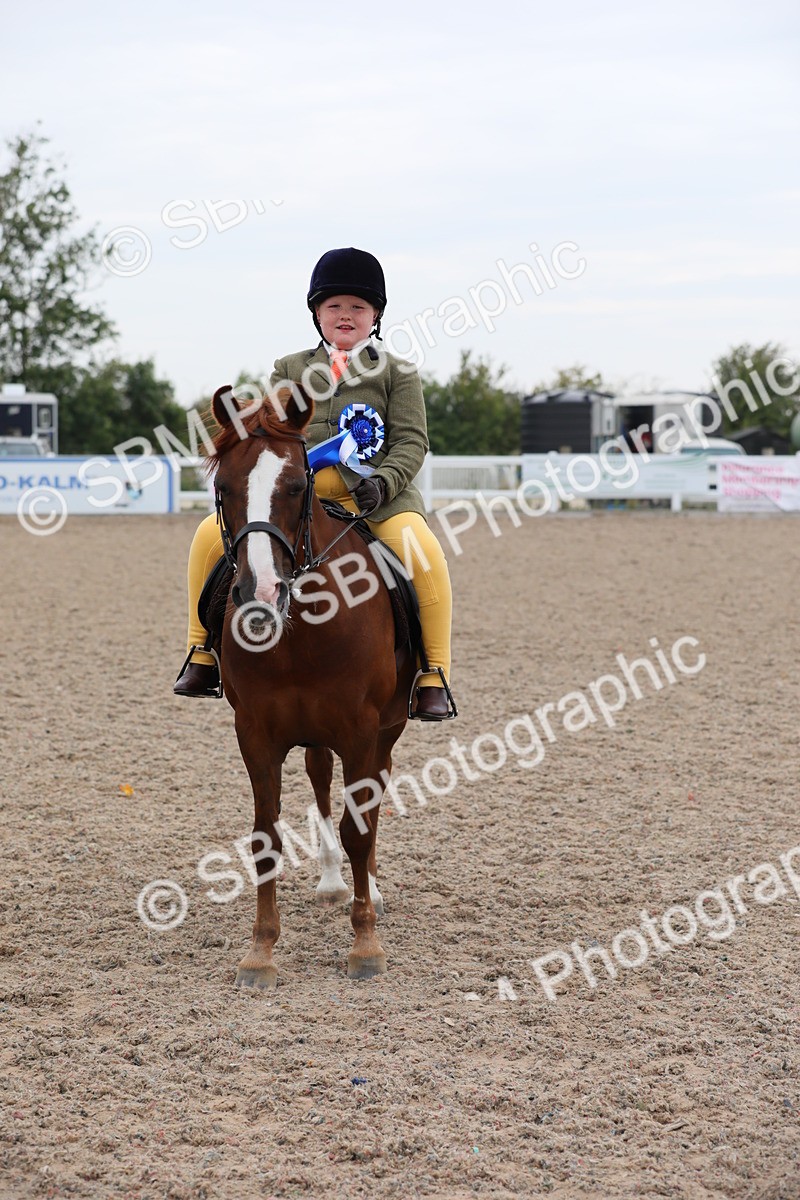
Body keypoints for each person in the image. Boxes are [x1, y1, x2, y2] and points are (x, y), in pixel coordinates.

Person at [174, 246, 455, 720]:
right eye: (334, 306)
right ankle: (201, 653)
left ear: (375, 316)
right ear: (317, 313)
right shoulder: (290, 368)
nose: (346, 315)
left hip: (377, 500)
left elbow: (412, 441)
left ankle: (434, 674)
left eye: (358, 307)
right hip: (299, 497)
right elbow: (270, 432)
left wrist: (384, 483)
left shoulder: (398, 372)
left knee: (423, 553)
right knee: (206, 537)